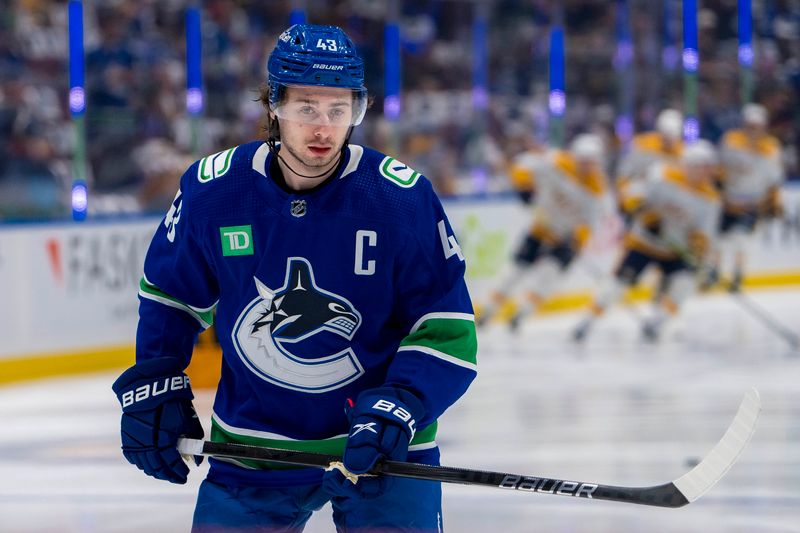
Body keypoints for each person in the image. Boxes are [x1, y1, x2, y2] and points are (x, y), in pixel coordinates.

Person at [111, 24, 478, 533]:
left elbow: (448, 330)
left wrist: (402, 407)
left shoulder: (402, 199)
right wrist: (154, 383)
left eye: (338, 109)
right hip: (253, 448)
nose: (323, 128)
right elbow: (170, 297)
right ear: (274, 106)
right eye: (306, 108)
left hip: (383, 449)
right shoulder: (215, 189)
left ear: (359, 109)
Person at [572, 139, 721, 342]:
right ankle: (586, 322)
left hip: (674, 251)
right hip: (643, 243)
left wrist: (700, 252)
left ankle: (658, 323)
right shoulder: (662, 175)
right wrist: (644, 213)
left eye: (708, 167)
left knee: (684, 285)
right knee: (616, 285)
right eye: (702, 166)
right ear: (689, 164)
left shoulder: (710, 199)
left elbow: (704, 236)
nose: (705, 172)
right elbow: (631, 193)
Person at [477, 133, 610, 331]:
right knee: (514, 272)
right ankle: (489, 310)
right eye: (583, 162)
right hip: (540, 229)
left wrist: (577, 240)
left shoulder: (597, 189)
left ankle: (523, 313)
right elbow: (523, 164)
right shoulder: (556, 162)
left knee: (549, 278)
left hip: (564, 238)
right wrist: (524, 188)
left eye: (590, 163)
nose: (586, 167)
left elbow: (591, 222)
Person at [702, 103, 785, 292]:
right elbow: (718, 168)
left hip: (752, 202)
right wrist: (718, 192)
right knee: (717, 238)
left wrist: (774, 201)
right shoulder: (731, 141)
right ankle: (714, 270)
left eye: (756, 127)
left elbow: (774, 181)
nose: (753, 131)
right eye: (750, 126)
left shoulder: (771, 148)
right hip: (728, 199)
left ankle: (737, 274)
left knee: (740, 239)